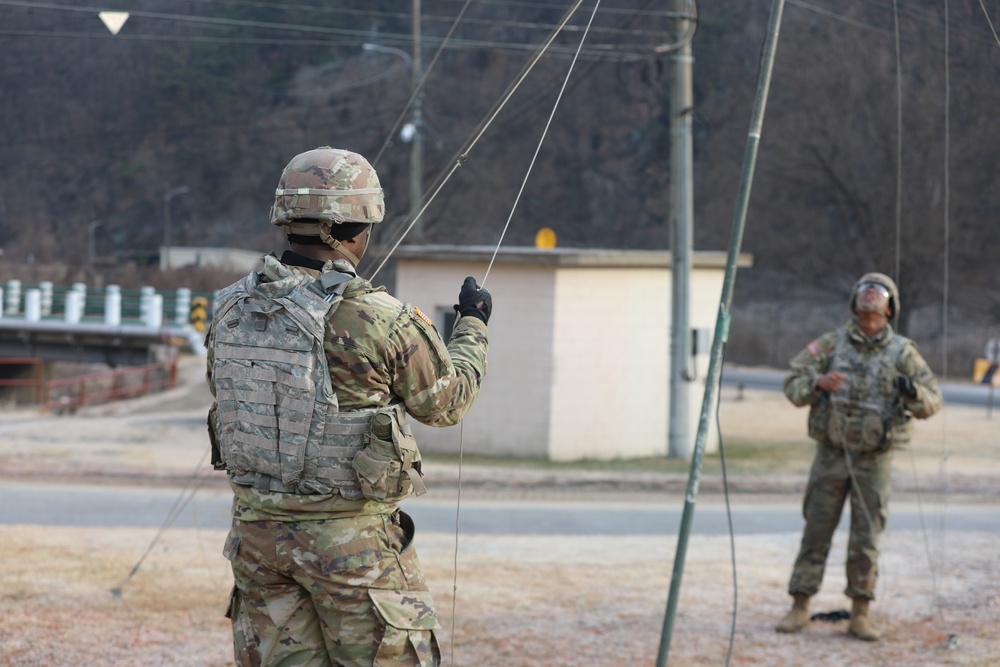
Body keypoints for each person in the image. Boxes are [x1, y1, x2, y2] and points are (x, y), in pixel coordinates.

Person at [205, 147, 491, 666]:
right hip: (352, 548)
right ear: (352, 229)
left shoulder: (229, 308)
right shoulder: (376, 316)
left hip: (257, 541)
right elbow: (446, 404)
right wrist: (473, 324)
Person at [775, 272, 942, 641]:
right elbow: (793, 382)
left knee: (866, 536)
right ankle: (800, 605)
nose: (869, 322)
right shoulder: (831, 344)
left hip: (875, 460)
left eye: (876, 316)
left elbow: (933, 401)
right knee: (816, 529)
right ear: (854, 309)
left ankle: (860, 612)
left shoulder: (903, 353)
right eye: (863, 315)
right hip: (832, 454)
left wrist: (911, 391)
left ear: (888, 314)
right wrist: (818, 384)